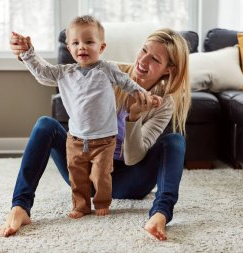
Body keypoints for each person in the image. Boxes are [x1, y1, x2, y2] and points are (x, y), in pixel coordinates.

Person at [0, 23, 190, 241]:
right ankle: (20, 208)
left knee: (175, 141)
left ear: (169, 69)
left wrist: (134, 118)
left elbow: (133, 157)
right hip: (86, 170)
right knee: (46, 125)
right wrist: (25, 54)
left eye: (155, 59)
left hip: (130, 180)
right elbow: (55, 74)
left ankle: (160, 214)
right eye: (144, 50)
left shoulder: (163, 104)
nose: (143, 61)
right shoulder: (112, 71)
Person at [12, 15, 160, 220]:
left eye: (89, 42)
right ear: (69, 48)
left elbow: (127, 83)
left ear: (101, 47)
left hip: (104, 139)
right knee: (77, 175)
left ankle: (101, 202)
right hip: (76, 139)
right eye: (76, 43)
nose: (82, 47)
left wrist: (145, 95)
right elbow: (42, 72)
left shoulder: (107, 69)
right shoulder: (64, 72)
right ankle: (81, 206)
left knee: (101, 175)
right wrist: (28, 54)